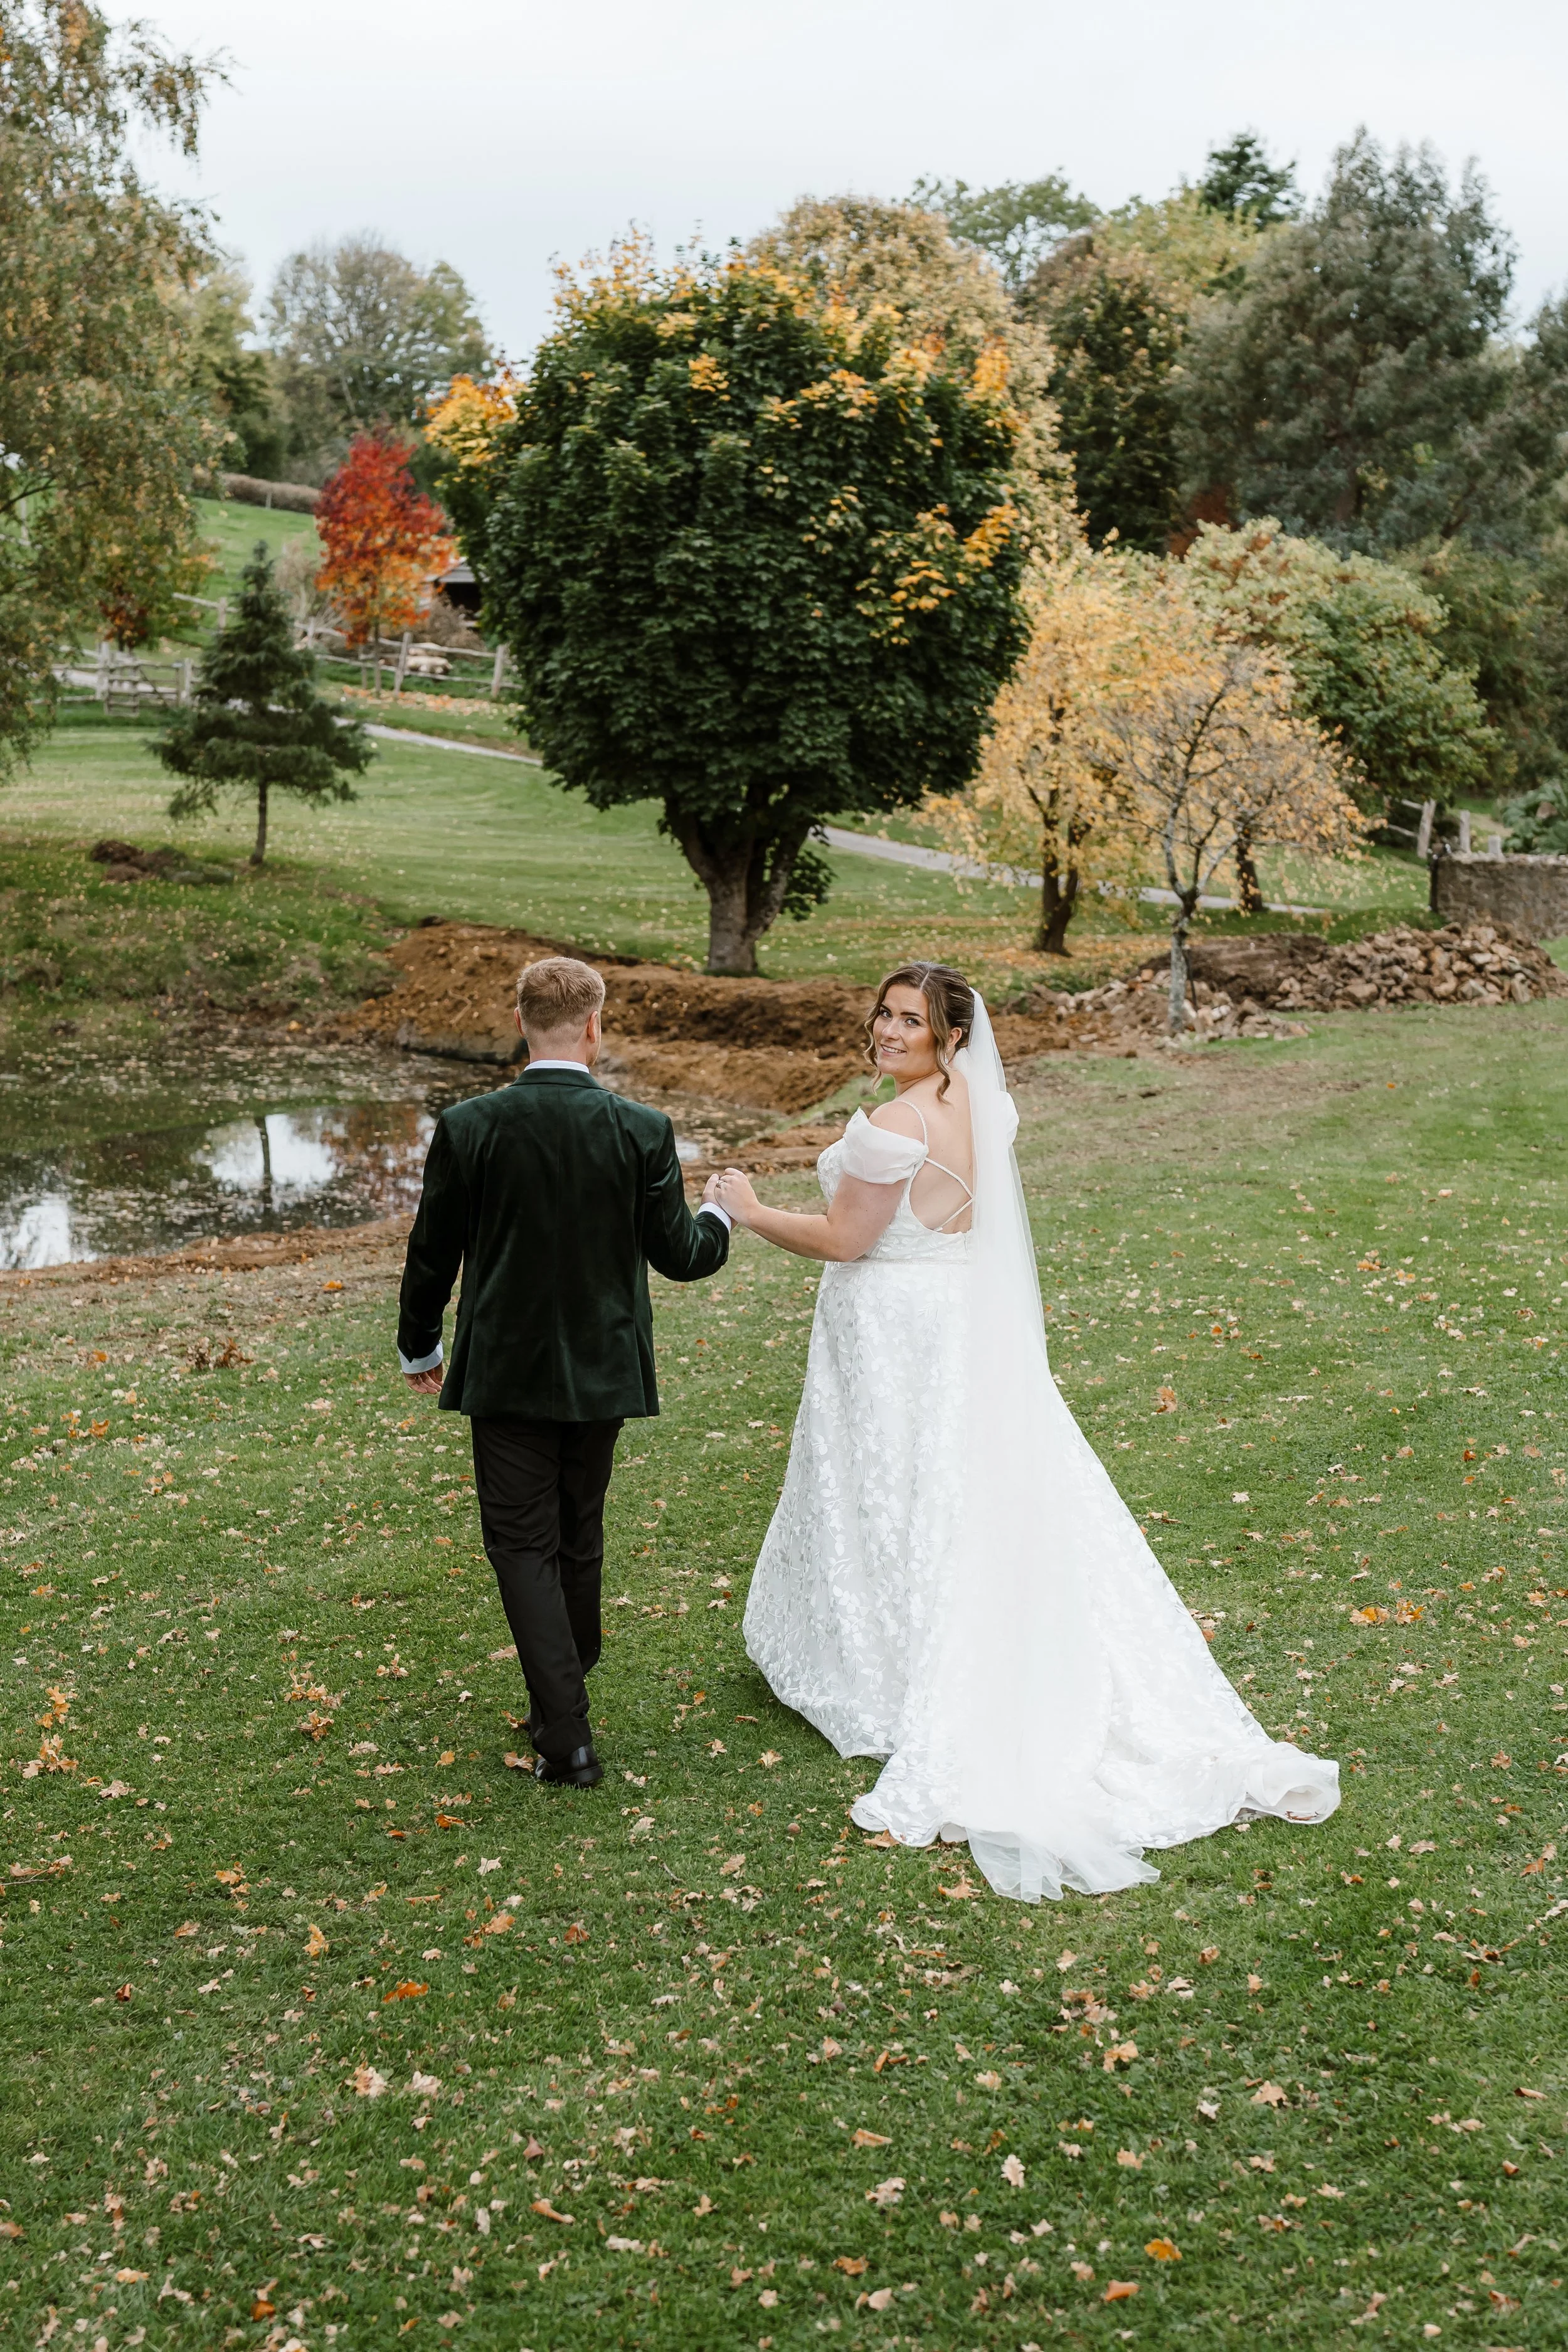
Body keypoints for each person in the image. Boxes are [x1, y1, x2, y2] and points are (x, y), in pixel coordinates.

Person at [707, 960, 1338, 1902]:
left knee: (903, 1493)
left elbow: (847, 1241)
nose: (886, 1032)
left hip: (897, 1331)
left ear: (949, 1035)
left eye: (909, 1021)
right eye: (882, 1014)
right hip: (960, 1322)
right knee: (968, 1490)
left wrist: (749, 1209)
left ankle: (894, 1667)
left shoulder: (891, 1127)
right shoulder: (988, 1110)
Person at [398, 955, 731, 1788]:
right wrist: (724, 1214)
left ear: (521, 1023)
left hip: (506, 1368)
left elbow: (432, 1249)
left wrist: (420, 1346)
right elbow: (683, 1255)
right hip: (603, 1366)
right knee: (575, 1533)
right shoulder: (642, 1129)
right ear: (592, 1026)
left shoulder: (469, 1124)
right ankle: (566, 1682)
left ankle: (566, 1735)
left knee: (521, 1542)